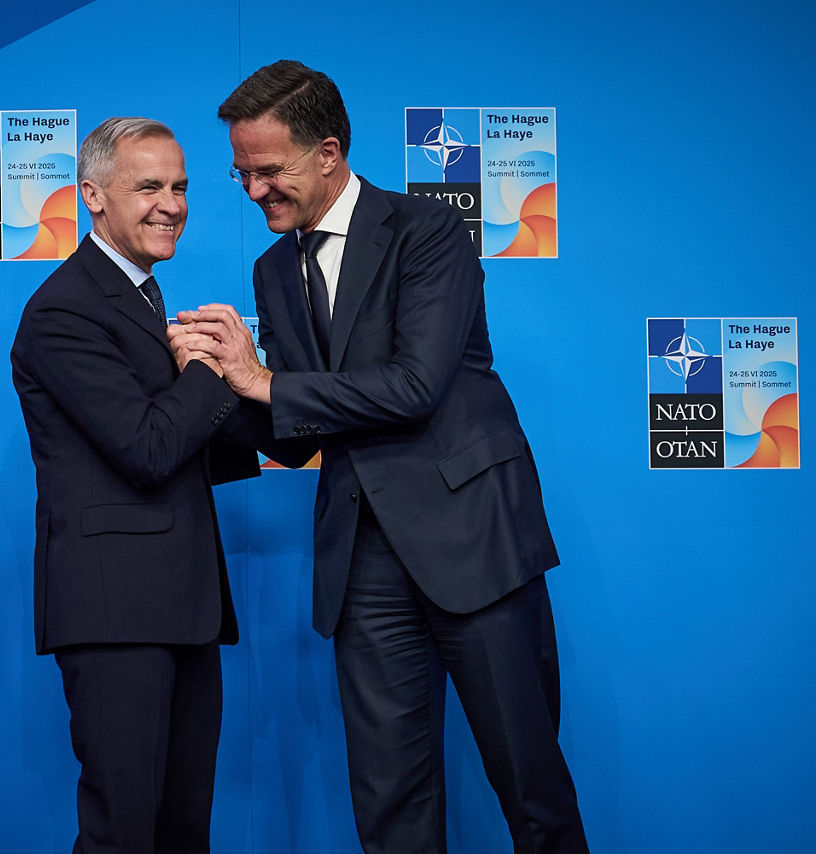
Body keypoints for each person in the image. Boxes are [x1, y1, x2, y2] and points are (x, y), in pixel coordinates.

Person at [170, 60, 588, 853]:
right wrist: (212, 385)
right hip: (362, 564)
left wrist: (262, 379)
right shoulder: (272, 268)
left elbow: (415, 386)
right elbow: (297, 436)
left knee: (532, 789)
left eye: (269, 171)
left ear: (327, 153)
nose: (253, 190)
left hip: (474, 546)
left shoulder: (427, 230)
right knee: (390, 807)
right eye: (240, 173)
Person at [10, 117, 259, 854]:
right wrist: (211, 372)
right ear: (91, 195)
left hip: (180, 605)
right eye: (148, 186)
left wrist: (261, 399)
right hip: (116, 609)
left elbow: (180, 439)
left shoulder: (146, 297)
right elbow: (148, 449)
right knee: (124, 831)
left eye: (180, 186)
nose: (171, 204)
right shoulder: (64, 309)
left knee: (183, 830)